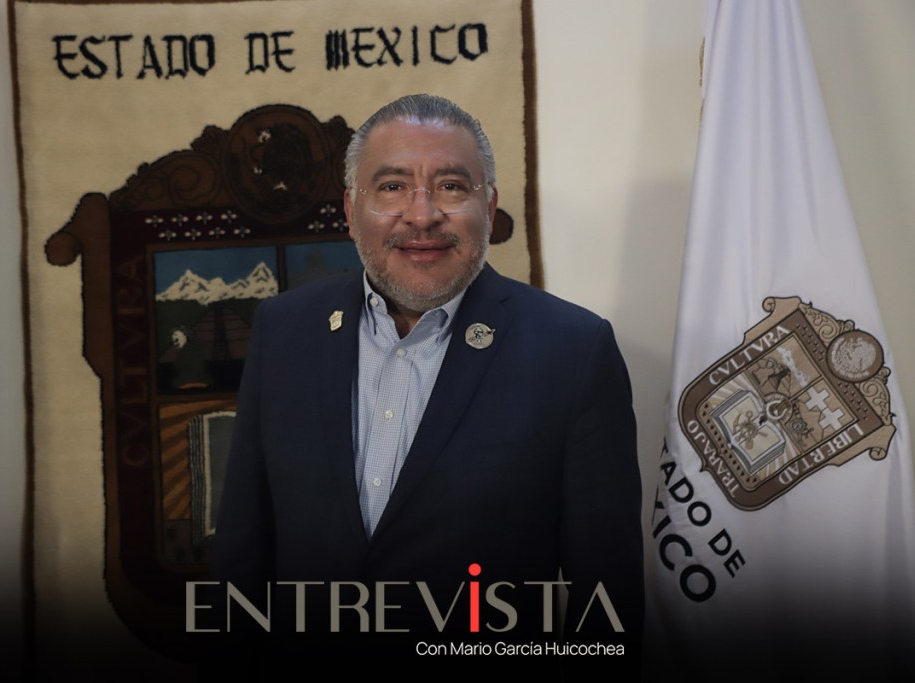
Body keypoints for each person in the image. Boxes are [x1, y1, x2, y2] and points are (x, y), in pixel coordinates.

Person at [208, 94, 643, 672]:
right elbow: (243, 555)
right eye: (391, 187)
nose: (421, 214)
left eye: (451, 187)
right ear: (350, 206)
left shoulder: (574, 350)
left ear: (488, 205)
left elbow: (605, 601)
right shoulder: (284, 329)